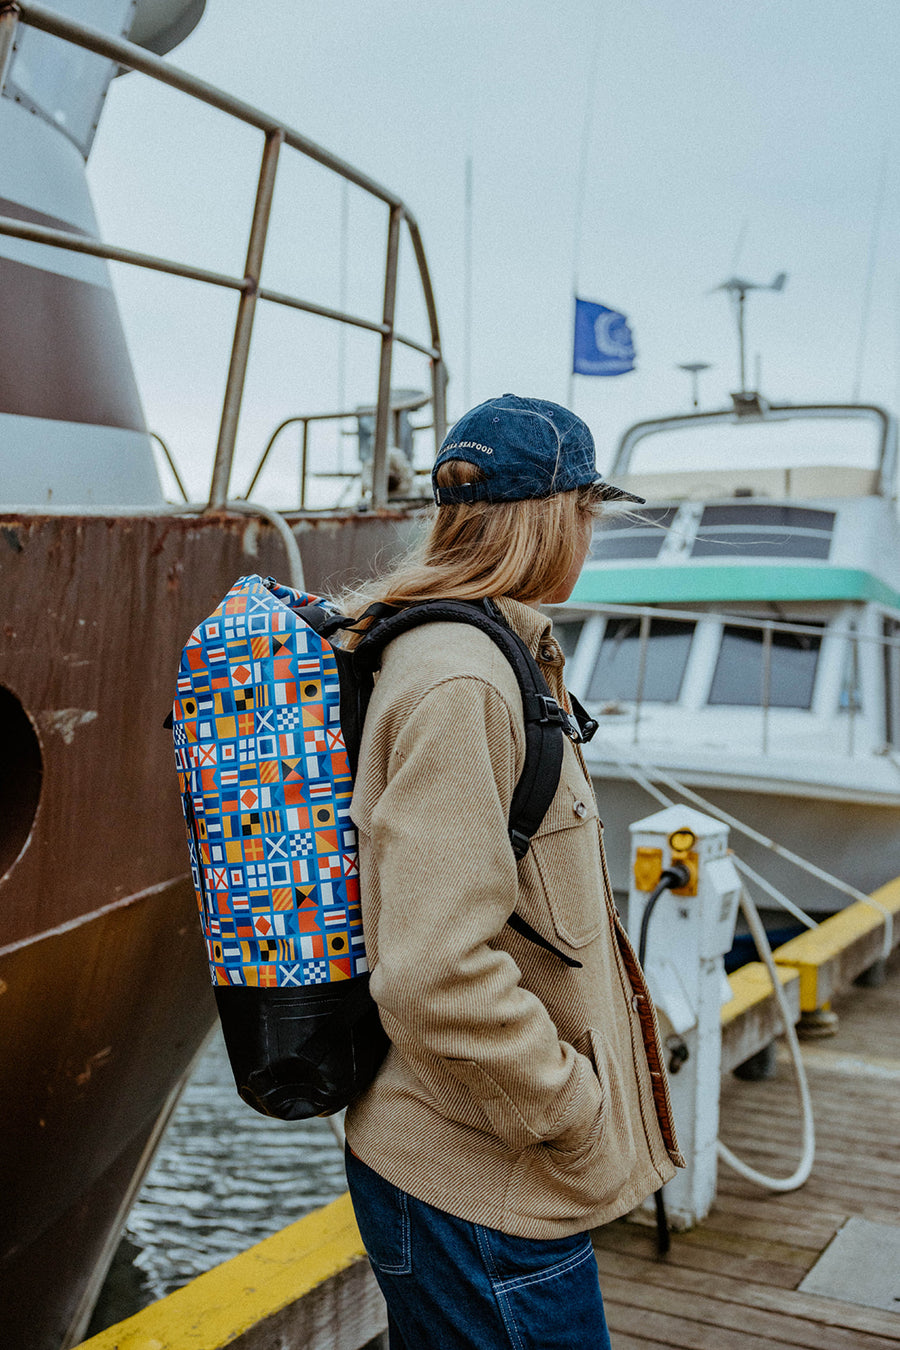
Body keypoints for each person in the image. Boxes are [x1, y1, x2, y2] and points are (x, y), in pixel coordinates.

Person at [342, 394, 684, 1349]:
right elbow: (432, 971)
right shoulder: (463, 679)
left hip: (483, 1175)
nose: (589, 537)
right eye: (586, 515)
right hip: (485, 1184)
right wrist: (568, 1112)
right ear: (555, 516)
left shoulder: (487, 651)